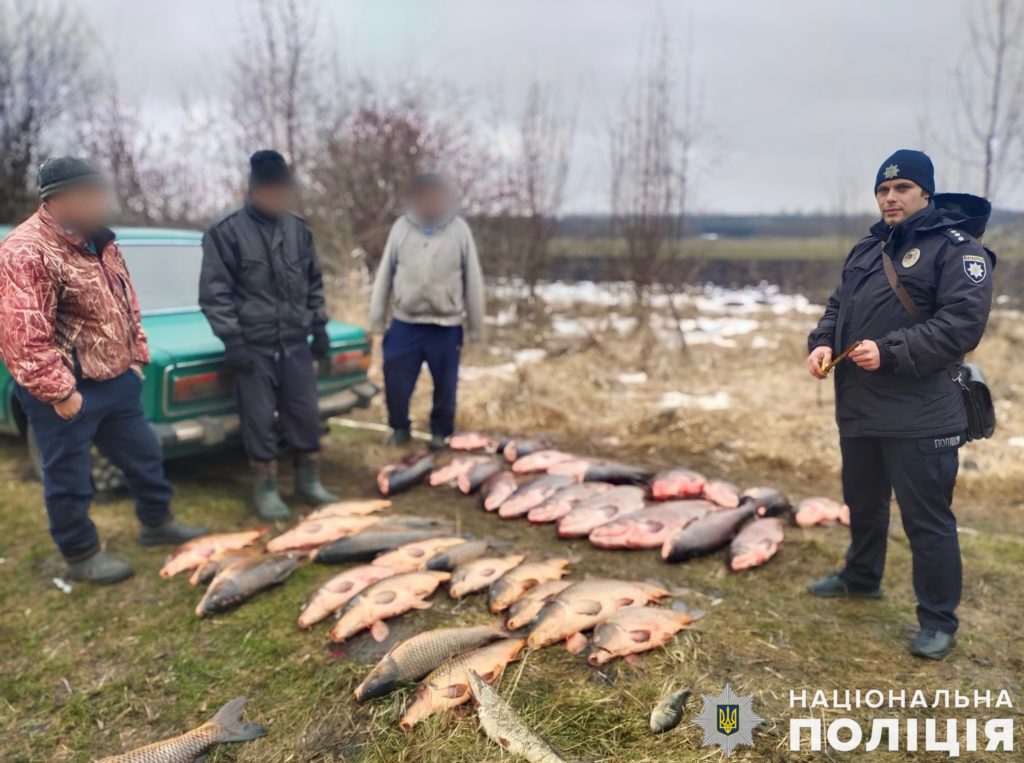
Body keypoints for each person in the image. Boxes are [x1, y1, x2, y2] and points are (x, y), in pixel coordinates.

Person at [805, 149, 995, 660]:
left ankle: (938, 621)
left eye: (902, 189)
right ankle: (861, 577)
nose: (890, 198)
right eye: (883, 190)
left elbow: (961, 327)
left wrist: (889, 353)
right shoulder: (868, 247)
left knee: (926, 520)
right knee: (863, 504)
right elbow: (839, 306)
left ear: (925, 193)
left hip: (922, 413)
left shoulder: (958, 251)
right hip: (860, 408)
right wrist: (821, 342)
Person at [0, 157, 207, 584]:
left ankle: (157, 522)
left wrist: (136, 359)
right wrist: (60, 392)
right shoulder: (26, 250)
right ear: (58, 199)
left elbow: (127, 302)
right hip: (66, 390)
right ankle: (80, 554)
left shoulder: (101, 240)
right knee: (70, 476)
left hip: (117, 380)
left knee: (144, 454)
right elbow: (21, 333)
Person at [200, 150, 338, 521]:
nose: (279, 199)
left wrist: (319, 327)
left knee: (305, 412)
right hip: (253, 346)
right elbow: (215, 294)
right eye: (272, 191)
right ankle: (266, 488)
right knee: (259, 419)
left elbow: (314, 284)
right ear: (255, 190)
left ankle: (308, 481)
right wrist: (233, 341)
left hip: (294, 342)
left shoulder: (299, 230)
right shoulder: (225, 233)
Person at [368, 173, 485, 450]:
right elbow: (384, 276)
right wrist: (376, 323)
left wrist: (477, 330)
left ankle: (440, 434)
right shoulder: (401, 228)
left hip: (445, 326)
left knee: (446, 386)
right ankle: (399, 428)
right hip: (405, 323)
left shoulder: (459, 231)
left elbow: (473, 281)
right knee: (395, 378)